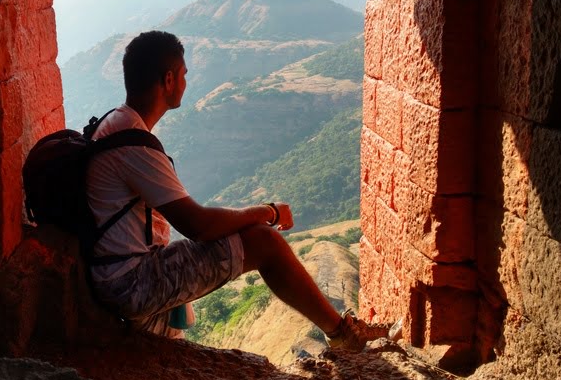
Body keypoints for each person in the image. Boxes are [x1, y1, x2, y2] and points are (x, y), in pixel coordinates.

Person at [85, 30, 386, 348]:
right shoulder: (134, 145)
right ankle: (344, 336)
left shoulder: (113, 124)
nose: (187, 82)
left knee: (249, 235)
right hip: (130, 283)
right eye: (184, 74)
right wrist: (268, 212)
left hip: (115, 273)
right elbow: (198, 226)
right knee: (263, 241)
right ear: (169, 79)